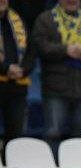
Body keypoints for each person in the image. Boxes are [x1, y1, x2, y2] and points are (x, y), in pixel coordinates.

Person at [33, 0, 81, 149]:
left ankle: (79, 163)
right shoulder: (45, 19)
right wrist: (65, 50)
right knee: (53, 133)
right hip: (55, 89)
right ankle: (51, 163)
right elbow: (40, 46)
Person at [0, 0, 35, 155]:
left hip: (17, 86)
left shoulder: (19, 20)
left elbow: (31, 51)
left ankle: (10, 165)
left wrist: (23, 70)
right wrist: (5, 68)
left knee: (15, 136)